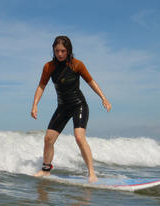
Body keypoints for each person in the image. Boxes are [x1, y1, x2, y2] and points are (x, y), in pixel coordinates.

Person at [31, 36, 111, 182]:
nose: (60, 54)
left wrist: (103, 98)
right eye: (57, 51)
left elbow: (91, 81)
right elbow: (41, 86)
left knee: (79, 138)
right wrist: (35, 104)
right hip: (62, 107)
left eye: (63, 51)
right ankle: (46, 170)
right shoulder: (48, 67)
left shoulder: (77, 64)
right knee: (48, 139)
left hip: (78, 105)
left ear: (68, 51)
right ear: (53, 51)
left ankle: (92, 173)